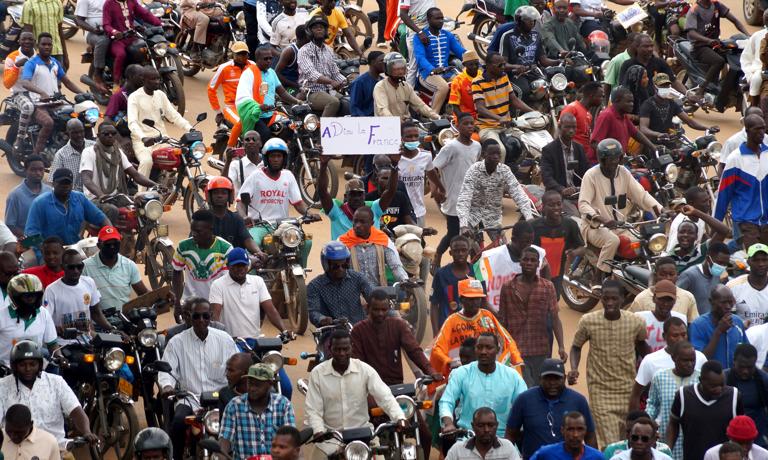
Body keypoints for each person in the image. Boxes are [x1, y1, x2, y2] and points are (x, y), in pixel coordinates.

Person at [568, 280, 649, 448]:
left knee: (628, 440)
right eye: (606, 299)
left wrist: (653, 369)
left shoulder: (636, 322)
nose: (610, 303)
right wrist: (574, 369)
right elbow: (576, 347)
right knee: (610, 444)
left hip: (628, 389)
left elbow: (643, 347)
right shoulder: (588, 321)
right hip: (600, 391)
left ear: (622, 299)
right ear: (601, 298)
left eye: (614, 299)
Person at [304, 329, 406, 459]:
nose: (342, 353)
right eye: (337, 349)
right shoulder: (318, 373)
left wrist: (399, 417)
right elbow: (313, 409)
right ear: (330, 349)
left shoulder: (364, 370)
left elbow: (385, 397)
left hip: (364, 437)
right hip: (330, 439)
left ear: (352, 348)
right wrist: (319, 430)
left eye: (345, 349)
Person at [158, 298, 238, 460]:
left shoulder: (225, 339)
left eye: (205, 316)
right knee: (178, 423)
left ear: (211, 317)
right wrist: (167, 386)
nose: (201, 320)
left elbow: (237, 365)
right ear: (188, 316)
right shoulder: (176, 342)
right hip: (189, 398)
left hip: (220, 398)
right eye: (196, 316)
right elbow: (167, 370)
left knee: (240, 421)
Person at [578, 138, 665, 285]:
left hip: (620, 225)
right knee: (612, 241)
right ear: (601, 159)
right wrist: (602, 220)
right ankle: (598, 277)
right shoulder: (591, 175)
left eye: (616, 158)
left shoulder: (623, 172)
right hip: (595, 226)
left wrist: (661, 210)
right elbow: (583, 204)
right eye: (610, 159)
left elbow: (641, 195)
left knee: (645, 242)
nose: (613, 163)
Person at [0, 341, 98, 449]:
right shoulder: (3, 386)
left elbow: (75, 410)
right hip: (16, 449)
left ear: (40, 365)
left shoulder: (56, 382)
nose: (28, 369)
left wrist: (86, 432)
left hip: (56, 447)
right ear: (14, 366)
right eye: (22, 365)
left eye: (32, 364)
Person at [498, 246, 566, 385]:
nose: (529, 263)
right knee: (525, 389)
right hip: (516, 350)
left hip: (540, 349)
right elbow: (502, 321)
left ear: (538, 264)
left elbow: (555, 318)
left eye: (533, 260)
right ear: (520, 262)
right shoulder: (507, 288)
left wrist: (561, 346)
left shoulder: (548, 287)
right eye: (526, 260)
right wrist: (501, 348)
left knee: (540, 388)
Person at [440, 332, 528, 438]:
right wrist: (448, 423)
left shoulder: (512, 376)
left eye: (489, 348)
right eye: (479, 347)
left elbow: (525, 405)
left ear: (498, 349)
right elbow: (446, 401)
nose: (483, 352)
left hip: (502, 438)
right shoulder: (461, 373)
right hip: (468, 437)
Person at [431, 279, 522, 378]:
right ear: (461, 300)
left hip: (488, 372)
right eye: (470, 299)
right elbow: (437, 349)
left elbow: (507, 340)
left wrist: (517, 360)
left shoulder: (487, 316)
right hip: (463, 373)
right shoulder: (451, 321)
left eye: (477, 298)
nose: (474, 302)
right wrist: (449, 362)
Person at [506, 359, 597, 458]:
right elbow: (511, 433)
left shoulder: (578, 401)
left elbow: (590, 436)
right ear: (540, 378)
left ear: (564, 378)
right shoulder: (524, 399)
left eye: (557, 378)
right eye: (547, 378)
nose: (552, 383)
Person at [352, 287, 440, 385]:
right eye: (376, 310)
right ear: (368, 308)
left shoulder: (398, 325)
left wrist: (430, 370)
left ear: (389, 309)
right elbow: (357, 362)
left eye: (384, 309)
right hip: (369, 385)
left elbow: (414, 350)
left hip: (396, 385)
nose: (380, 313)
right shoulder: (358, 330)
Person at [17, 33, 84, 157]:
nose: (47, 47)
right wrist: (42, 93)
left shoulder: (55, 63)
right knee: (48, 123)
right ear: (38, 46)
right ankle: (36, 155)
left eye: (49, 44)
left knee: (75, 117)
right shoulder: (31, 63)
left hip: (56, 103)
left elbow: (67, 82)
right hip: (39, 104)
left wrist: (84, 93)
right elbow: (25, 82)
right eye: (44, 44)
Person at [668, 360, 744, 460]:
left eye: (722, 384)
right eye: (713, 386)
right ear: (701, 380)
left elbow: (741, 431)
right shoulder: (683, 395)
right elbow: (673, 423)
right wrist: (668, 449)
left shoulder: (734, 396)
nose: (719, 389)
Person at [127, 66, 192, 182]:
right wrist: (143, 138)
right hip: (142, 142)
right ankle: (141, 195)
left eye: (158, 79)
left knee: (183, 155)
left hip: (162, 139)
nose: (157, 82)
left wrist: (190, 129)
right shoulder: (134, 97)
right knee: (146, 161)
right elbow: (132, 123)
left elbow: (174, 115)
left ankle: (174, 185)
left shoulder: (160, 95)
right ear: (143, 79)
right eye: (153, 79)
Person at [457, 140, 534, 236]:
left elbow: (518, 192)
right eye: (492, 154)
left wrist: (529, 217)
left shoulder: (504, 170)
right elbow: (464, 197)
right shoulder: (474, 170)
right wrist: (464, 225)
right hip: (472, 217)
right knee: (464, 245)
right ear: (483, 154)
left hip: (493, 218)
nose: (496, 156)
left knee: (502, 248)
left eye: (498, 153)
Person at [238, 138, 309, 242]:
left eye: (279, 156)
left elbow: (298, 203)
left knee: (305, 242)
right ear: (267, 158)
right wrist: (244, 217)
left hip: (283, 225)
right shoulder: (256, 176)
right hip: (260, 226)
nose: (276, 159)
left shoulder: (288, 176)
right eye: (272, 156)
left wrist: (309, 213)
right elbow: (240, 202)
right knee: (254, 243)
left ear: (284, 158)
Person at [432, 113, 480, 267]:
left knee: (472, 233)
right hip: (453, 198)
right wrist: (437, 189)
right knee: (453, 233)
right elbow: (433, 168)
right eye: (466, 124)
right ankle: (438, 255)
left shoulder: (477, 146)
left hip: (471, 199)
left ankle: (472, 266)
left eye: (472, 123)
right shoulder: (451, 147)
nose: (470, 127)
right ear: (458, 126)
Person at [219, 363, 296, 458]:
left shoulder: (283, 405)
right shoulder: (234, 406)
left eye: (257, 385)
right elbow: (225, 440)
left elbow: (289, 439)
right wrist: (221, 454)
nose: (252, 388)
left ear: (270, 384)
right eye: (250, 383)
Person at [210, 247, 289, 338]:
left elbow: (271, 311)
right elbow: (215, 316)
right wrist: (217, 338)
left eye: (243, 265)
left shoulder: (258, 281)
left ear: (248, 265)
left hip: (255, 340)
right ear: (228, 266)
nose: (240, 269)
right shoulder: (218, 285)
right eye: (236, 266)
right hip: (230, 341)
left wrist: (284, 331)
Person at [229, 45, 301, 145]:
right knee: (265, 134)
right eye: (265, 59)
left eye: (270, 58)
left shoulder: (272, 73)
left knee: (289, 128)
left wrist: (298, 101)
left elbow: (283, 92)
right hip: (255, 116)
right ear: (257, 59)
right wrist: (258, 107)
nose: (269, 61)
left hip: (271, 115)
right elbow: (243, 97)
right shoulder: (249, 73)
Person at [684, 0, 749, 110]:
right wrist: (708, 41)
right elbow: (691, 33)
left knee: (733, 56)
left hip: (715, 44)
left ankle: (725, 88)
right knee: (718, 61)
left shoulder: (716, 5)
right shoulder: (694, 10)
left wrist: (748, 36)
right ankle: (700, 90)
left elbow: (735, 20)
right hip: (699, 46)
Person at [630, 319, 707, 411]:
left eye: (684, 334)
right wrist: (635, 420)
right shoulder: (650, 361)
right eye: (675, 335)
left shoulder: (700, 357)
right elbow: (635, 395)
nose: (681, 339)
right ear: (664, 336)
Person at [716, 114, 768, 249]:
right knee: (754, 257)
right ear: (747, 130)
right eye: (757, 129)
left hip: (766, 220)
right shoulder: (735, 159)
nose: (762, 133)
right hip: (746, 221)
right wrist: (716, 225)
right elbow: (724, 194)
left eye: (763, 129)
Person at [472, 52, 535, 163]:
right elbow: (480, 108)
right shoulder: (477, 82)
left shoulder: (504, 77)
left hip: (507, 125)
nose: (503, 68)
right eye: (500, 65)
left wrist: (534, 112)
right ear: (488, 65)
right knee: (499, 151)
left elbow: (514, 100)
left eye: (504, 64)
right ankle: (497, 179)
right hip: (487, 127)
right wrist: (498, 118)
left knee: (531, 144)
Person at [80, 121, 157, 208]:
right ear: (98, 135)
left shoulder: (118, 153)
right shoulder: (89, 152)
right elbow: (86, 179)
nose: (110, 136)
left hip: (114, 197)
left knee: (143, 203)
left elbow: (136, 175)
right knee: (112, 210)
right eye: (106, 134)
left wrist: (156, 185)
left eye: (113, 133)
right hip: (94, 199)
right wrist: (101, 195)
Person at [646, 341, 702, 459]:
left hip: (693, 443)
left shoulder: (701, 379)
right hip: (666, 441)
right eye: (685, 360)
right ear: (674, 358)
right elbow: (653, 405)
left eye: (692, 360)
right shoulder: (660, 377)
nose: (690, 364)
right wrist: (648, 424)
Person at [318, 156, 397, 240]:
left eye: (359, 194)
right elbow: (322, 192)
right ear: (345, 196)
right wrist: (323, 166)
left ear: (364, 195)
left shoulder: (374, 208)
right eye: (352, 194)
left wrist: (395, 166)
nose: (356, 198)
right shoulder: (337, 210)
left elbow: (390, 191)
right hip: (343, 252)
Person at [171, 210, 233, 313]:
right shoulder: (183, 246)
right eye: (192, 230)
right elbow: (177, 272)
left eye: (198, 231)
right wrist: (178, 300)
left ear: (211, 229)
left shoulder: (225, 248)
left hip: (216, 304)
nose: (194, 234)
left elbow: (229, 281)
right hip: (190, 305)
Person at [43, 248, 114, 337]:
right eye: (71, 267)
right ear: (62, 267)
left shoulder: (89, 282)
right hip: (63, 344)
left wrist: (113, 330)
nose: (76, 271)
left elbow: (96, 313)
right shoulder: (51, 290)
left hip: (88, 341)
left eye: (79, 266)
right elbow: (46, 320)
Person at [499, 7, 560, 103]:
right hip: (516, 75)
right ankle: (518, 115)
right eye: (528, 20)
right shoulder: (508, 36)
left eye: (533, 20)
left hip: (534, 72)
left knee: (555, 84)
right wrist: (516, 66)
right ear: (519, 21)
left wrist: (559, 61)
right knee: (523, 91)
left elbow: (543, 60)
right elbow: (502, 64)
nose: (532, 22)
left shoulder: (536, 35)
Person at [531, 190, 584, 299]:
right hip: (534, 275)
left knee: (553, 302)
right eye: (551, 205)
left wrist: (574, 253)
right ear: (544, 207)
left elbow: (582, 248)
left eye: (559, 204)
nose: (556, 208)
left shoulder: (570, 225)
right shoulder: (534, 226)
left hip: (556, 276)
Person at [83, 225, 148, 312]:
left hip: (124, 320)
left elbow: (143, 292)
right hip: (98, 321)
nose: (112, 246)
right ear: (99, 245)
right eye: (108, 244)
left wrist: (162, 295)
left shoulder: (129, 265)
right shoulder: (85, 267)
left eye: (115, 243)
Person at [307, 241, 373, 327]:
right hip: (331, 330)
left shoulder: (358, 278)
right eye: (336, 266)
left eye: (344, 265)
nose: (341, 269)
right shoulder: (315, 286)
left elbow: (372, 298)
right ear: (326, 265)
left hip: (358, 329)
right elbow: (313, 312)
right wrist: (322, 319)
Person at [339, 206, 408, 286]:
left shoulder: (382, 240)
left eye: (362, 222)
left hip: (378, 292)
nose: (357, 225)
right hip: (353, 292)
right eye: (355, 221)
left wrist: (405, 280)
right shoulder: (343, 243)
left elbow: (395, 266)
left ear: (372, 223)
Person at [412, 7, 466, 111]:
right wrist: (432, 69)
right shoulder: (420, 37)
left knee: (464, 83)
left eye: (442, 18)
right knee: (443, 87)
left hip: (447, 72)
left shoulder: (447, 35)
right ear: (428, 20)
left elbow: (460, 51)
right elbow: (420, 58)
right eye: (437, 18)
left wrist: (472, 58)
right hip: (427, 74)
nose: (441, 21)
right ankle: (434, 116)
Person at [639, 74, 718, 143]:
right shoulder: (647, 104)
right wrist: (658, 134)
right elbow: (643, 128)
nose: (665, 88)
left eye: (667, 86)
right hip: (653, 143)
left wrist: (708, 128)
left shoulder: (671, 103)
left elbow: (690, 122)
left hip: (670, 140)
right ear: (655, 87)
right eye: (662, 86)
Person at [0, 273, 58, 365]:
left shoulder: (43, 313)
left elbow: (52, 344)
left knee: (56, 372)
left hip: (35, 368)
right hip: (6, 368)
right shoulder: (1, 316)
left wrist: (59, 357)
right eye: (26, 296)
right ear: (15, 298)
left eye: (34, 296)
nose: (31, 299)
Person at [205, 177, 266, 263]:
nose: (220, 195)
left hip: (234, 265)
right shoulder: (203, 219)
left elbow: (247, 239)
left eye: (224, 193)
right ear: (209, 196)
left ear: (230, 196)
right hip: (209, 264)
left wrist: (258, 252)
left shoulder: (236, 219)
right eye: (215, 193)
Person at [690, 285, 750, 368]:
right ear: (711, 301)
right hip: (710, 378)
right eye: (723, 302)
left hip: (733, 377)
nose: (728, 306)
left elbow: (746, 353)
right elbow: (700, 360)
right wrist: (718, 331)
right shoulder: (698, 325)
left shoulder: (737, 322)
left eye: (730, 302)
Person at [297, 16, 346, 117]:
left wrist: (347, 82)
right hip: (311, 92)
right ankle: (323, 131)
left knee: (348, 101)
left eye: (322, 27)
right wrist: (331, 82)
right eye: (315, 27)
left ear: (326, 31)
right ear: (310, 32)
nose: (319, 29)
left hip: (328, 90)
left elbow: (335, 72)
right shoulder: (304, 51)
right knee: (333, 102)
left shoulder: (329, 50)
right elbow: (312, 74)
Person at [102, 0, 161, 83]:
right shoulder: (109, 3)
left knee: (147, 50)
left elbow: (145, 14)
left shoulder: (131, 1)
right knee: (121, 54)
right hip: (117, 40)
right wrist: (114, 32)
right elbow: (106, 24)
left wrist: (160, 24)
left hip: (132, 37)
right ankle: (116, 82)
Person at [399, 121, 445, 226]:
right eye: (409, 137)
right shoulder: (396, 158)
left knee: (418, 239)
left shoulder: (425, 156)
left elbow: (431, 172)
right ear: (401, 138)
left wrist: (441, 188)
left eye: (415, 136)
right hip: (400, 209)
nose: (413, 139)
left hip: (418, 209)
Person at [541, 114, 589, 213]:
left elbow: (586, 173)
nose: (571, 130)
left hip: (579, 194)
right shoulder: (549, 150)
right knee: (576, 218)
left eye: (574, 127)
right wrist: (562, 189)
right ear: (559, 127)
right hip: (559, 196)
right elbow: (547, 178)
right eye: (567, 127)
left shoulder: (579, 148)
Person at [373, 52, 440, 120]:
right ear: (387, 69)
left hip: (406, 124)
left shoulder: (406, 86)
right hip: (387, 126)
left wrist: (437, 117)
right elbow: (383, 111)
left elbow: (420, 106)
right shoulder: (380, 87)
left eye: (402, 68)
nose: (400, 72)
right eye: (396, 69)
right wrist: (395, 122)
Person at [591, 87, 657, 155]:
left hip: (618, 160)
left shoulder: (623, 116)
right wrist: (611, 156)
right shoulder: (606, 115)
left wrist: (653, 147)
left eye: (632, 102)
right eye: (628, 102)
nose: (632, 104)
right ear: (617, 101)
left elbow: (635, 133)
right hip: (605, 163)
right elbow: (595, 143)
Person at [629, 258, 698, 322]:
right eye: (663, 274)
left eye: (671, 274)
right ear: (656, 276)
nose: (668, 278)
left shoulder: (688, 297)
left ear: (677, 275)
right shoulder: (641, 298)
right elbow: (631, 323)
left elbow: (692, 324)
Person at [208, 42, 255, 135]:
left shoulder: (253, 66)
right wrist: (218, 112)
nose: (241, 57)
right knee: (241, 124)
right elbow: (211, 89)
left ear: (248, 55)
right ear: (233, 54)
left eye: (244, 54)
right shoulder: (224, 68)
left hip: (251, 106)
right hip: (232, 107)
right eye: (238, 54)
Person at [725, 344, 768, 447]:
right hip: (729, 438)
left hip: (757, 438)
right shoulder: (723, 379)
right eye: (741, 367)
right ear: (734, 361)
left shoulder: (763, 380)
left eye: (750, 367)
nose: (745, 371)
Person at [619, 34, 687, 95]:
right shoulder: (627, 65)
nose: (650, 49)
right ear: (637, 47)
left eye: (651, 46)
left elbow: (674, 81)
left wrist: (687, 94)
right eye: (646, 46)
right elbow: (623, 87)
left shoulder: (660, 63)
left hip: (658, 101)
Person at [430, 236, 472, 335]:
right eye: (456, 251)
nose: (460, 253)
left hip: (472, 328)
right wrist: (436, 333)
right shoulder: (441, 274)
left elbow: (483, 302)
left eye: (463, 250)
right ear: (450, 253)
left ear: (469, 252)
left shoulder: (477, 272)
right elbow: (434, 305)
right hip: (448, 330)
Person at [665, 211, 730, 275]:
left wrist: (696, 212)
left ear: (696, 237)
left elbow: (724, 231)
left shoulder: (702, 250)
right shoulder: (668, 258)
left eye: (690, 233)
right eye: (682, 232)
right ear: (677, 235)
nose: (685, 235)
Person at [446, 407, 523, 460]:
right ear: (473, 426)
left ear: (496, 425)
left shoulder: (507, 447)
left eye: (491, 425)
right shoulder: (458, 450)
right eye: (480, 426)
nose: (486, 430)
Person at [678, 242, 731, 316]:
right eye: (719, 263)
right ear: (708, 258)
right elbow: (677, 298)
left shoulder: (717, 276)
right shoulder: (689, 275)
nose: (722, 266)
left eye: (725, 264)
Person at [634, 280, 688, 352]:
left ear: (675, 301)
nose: (665, 304)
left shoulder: (681, 319)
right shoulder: (640, 318)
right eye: (661, 299)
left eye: (669, 300)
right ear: (654, 299)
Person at [5, 155, 51, 238]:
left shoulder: (50, 192)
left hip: (49, 241)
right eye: (33, 170)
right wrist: (32, 239)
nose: (38, 173)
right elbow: (10, 225)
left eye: (41, 169)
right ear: (25, 170)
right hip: (27, 242)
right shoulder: (15, 195)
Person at [529, 412, 604, 460]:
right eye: (570, 429)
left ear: (585, 431)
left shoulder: (597, 457)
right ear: (562, 430)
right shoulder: (545, 454)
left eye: (580, 429)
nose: (575, 434)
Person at [560, 82, 604, 164]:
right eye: (600, 96)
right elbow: (560, 132)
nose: (602, 99)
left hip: (584, 157)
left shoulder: (588, 114)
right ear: (591, 95)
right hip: (573, 157)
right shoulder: (572, 108)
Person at [365, 163, 415, 231]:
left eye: (391, 179)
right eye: (385, 178)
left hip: (397, 237)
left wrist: (419, 231)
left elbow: (408, 220)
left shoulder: (401, 197)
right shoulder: (369, 198)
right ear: (377, 180)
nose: (388, 181)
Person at [604, 411, 675, 459]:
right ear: (628, 436)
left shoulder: (664, 458)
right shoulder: (617, 458)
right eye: (635, 438)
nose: (639, 442)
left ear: (653, 440)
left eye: (645, 439)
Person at [49, 119, 94, 193]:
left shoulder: (93, 147)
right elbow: (53, 181)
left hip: (93, 194)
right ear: (67, 133)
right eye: (75, 133)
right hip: (73, 196)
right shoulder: (61, 155)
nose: (79, 135)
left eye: (81, 131)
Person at [719, 107, 768, 175]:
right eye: (754, 117)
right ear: (745, 120)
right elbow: (722, 167)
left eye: (761, 117)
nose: (759, 120)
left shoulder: (766, 139)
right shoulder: (733, 142)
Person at [728, 243, 768, 326]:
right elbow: (727, 318)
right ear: (748, 261)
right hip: (742, 337)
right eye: (756, 260)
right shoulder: (732, 287)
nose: (761, 264)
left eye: (764, 260)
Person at [74, 0, 109, 93]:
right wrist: (93, 29)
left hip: (111, 29)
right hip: (93, 33)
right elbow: (79, 20)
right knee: (102, 41)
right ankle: (97, 74)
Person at [666, 186, 713, 252]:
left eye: (708, 200)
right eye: (704, 201)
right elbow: (673, 251)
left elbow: (704, 236)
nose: (708, 204)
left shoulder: (699, 215)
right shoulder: (682, 225)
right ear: (691, 203)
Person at [21, 0, 67, 66]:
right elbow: (28, 34)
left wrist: (65, 55)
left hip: (57, 51)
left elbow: (60, 30)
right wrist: (32, 56)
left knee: (58, 75)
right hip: (39, 54)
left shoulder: (57, 2)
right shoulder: (29, 4)